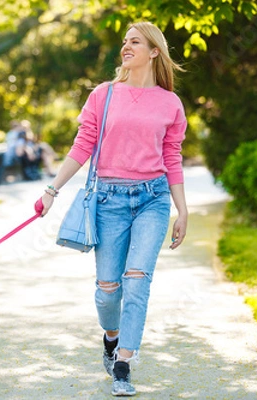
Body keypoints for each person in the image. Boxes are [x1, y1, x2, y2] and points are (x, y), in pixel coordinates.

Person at [38, 21, 188, 396]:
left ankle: (123, 364)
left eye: (135, 42)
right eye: (124, 41)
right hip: (108, 199)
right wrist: (51, 190)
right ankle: (111, 336)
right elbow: (82, 146)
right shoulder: (104, 95)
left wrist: (182, 210)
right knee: (108, 290)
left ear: (154, 51)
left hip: (152, 200)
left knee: (137, 281)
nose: (126, 46)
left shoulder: (170, 103)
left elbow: (172, 157)